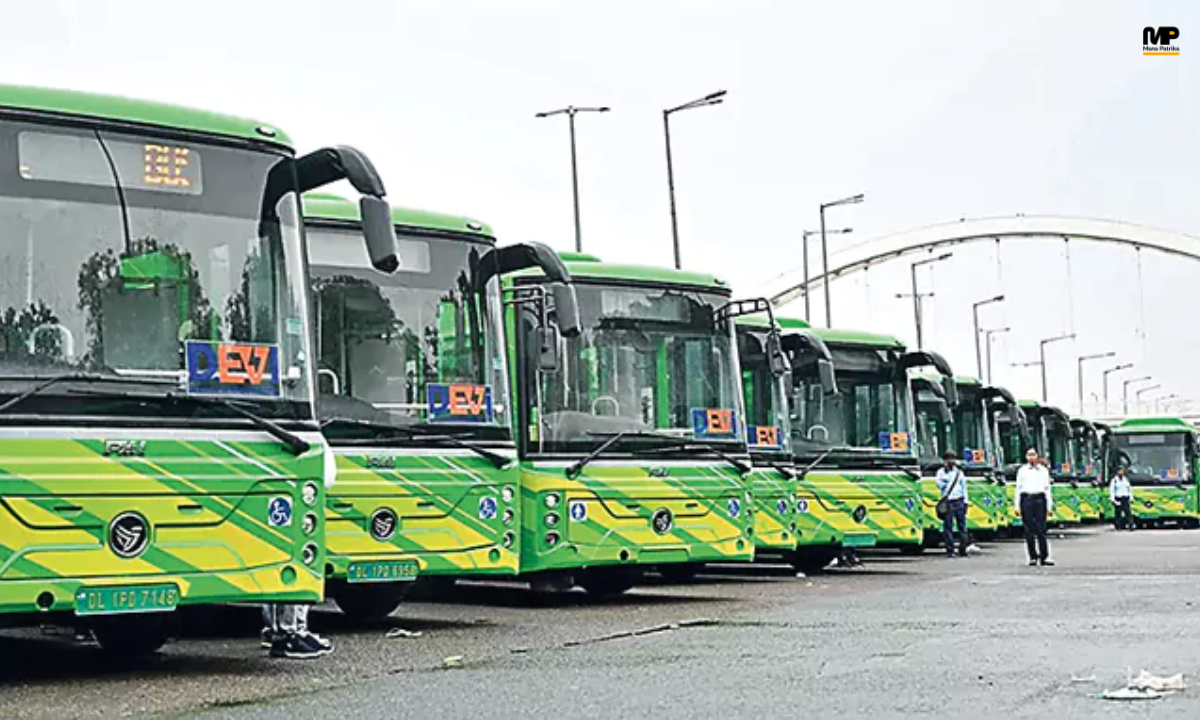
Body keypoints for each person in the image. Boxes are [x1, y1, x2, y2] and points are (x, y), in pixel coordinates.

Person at [1015, 448, 1054, 566]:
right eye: (1029, 455)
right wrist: (1016, 506)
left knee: (1042, 529)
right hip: (1026, 499)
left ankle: (1044, 557)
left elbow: (1047, 488)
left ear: (1037, 456)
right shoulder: (1022, 471)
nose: (1031, 457)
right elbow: (1018, 488)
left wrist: (1049, 506)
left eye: (1033, 455)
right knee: (1028, 530)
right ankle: (1032, 557)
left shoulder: (1043, 471)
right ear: (1026, 457)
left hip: (1040, 499)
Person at [936, 450, 968, 557]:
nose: (951, 461)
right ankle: (950, 550)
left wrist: (966, 502)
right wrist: (946, 473)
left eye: (953, 459)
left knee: (962, 527)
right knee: (948, 527)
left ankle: (963, 549)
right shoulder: (940, 472)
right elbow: (940, 485)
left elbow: (964, 488)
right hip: (948, 502)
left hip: (959, 501)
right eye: (949, 459)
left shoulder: (959, 473)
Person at [1110, 466, 1134, 531]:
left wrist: (1131, 498)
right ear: (1117, 472)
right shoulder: (1114, 480)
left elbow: (1129, 489)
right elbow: (1112, 490)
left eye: (1122, 471)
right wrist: (1113, 499)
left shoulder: (1126, 479)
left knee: (1128, 513)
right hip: (1118, 497)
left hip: (1125, 497)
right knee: (1118, 513)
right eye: (1119, 471)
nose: (1121, 472)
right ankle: (1118, 526)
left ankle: (1131, 525)